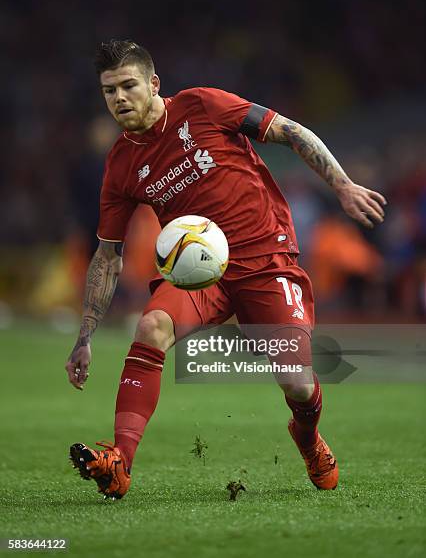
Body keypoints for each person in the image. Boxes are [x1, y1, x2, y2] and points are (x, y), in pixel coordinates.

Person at [66, 40, 386, 499]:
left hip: (265, 260)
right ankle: (119, 461)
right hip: (199, 274)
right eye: (109, 90)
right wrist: (85, 336)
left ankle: (308, 438)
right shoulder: (120, 165)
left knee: (297, 382)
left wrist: (343, 185)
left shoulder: (202, 105)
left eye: (128, 86)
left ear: (154, 84)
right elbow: (107, 254)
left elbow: (291, 131)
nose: (119, 98)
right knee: (152, 325)